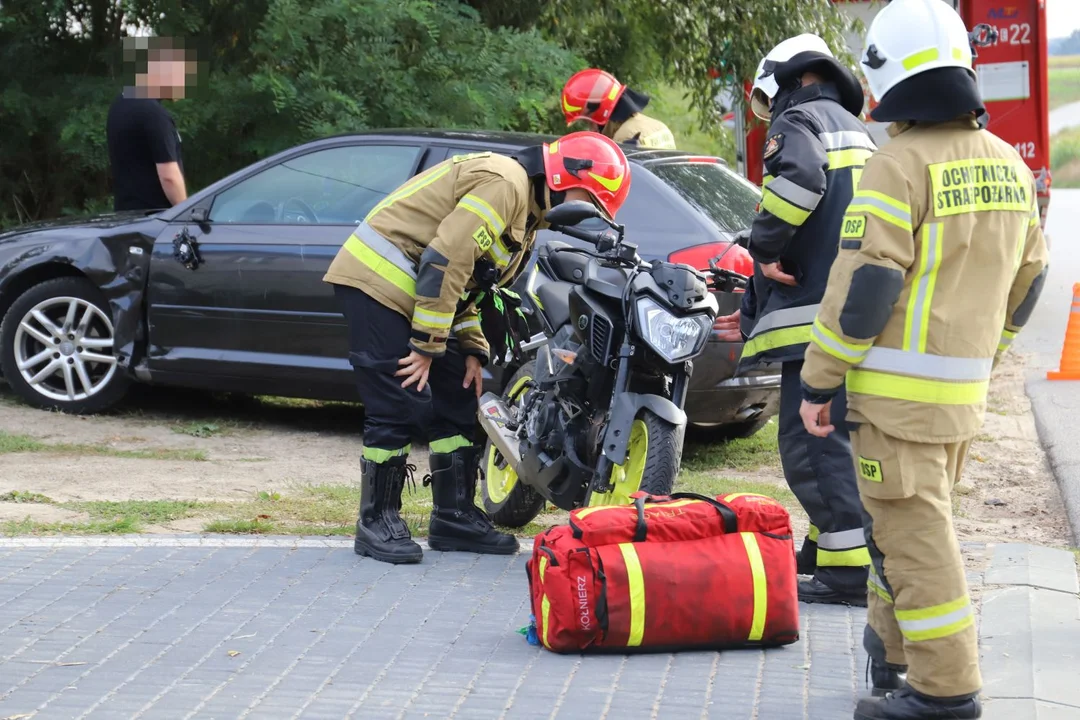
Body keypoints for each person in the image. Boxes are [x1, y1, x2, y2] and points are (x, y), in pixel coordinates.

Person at [798, 1, 1049, 717]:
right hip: (959, 399)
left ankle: (946, 691)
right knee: (898, 531)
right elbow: (1029, 284)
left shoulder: (896, 166)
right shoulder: (1008, 164)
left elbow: (863, 291)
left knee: (917, 539)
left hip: (895, 405)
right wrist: (985, 354)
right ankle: (895, 652)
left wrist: (818, 383)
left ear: (888, 79)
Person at [323, 132, 632, 565]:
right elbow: (444, 259)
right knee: (398, 400)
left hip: (419, 292)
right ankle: (376, 521)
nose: (587, 216)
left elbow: (469, 283)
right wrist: (428, 345)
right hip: (377, 283)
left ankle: (452, 518)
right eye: (589, 200)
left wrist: (470, 345)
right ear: (564, 177)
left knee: (457, 393)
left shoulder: (527, 214)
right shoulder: (506, 184)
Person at [714, 33, 875, 606]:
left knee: (811, 445)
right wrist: (754, 309)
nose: (768, 112)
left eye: (767, 96)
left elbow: (799, 189)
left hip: (813, 321)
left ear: (792, 78)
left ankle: (848, 573)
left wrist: (759, 245)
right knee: (837, 440)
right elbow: (826, 223)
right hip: (855, 314)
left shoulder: (801, 121)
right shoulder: (860, 132)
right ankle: (828, 548)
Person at [106, 37, 193, 212]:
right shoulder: (153, 114)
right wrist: (185, 216)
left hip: (125, 219)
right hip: (155, 223)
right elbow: (168, 176)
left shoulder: (119, 105)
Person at [560, 69, 676, 149]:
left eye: (589, 123)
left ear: (600, 113)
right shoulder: (660, 127)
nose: (591, 131)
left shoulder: (625, 138)